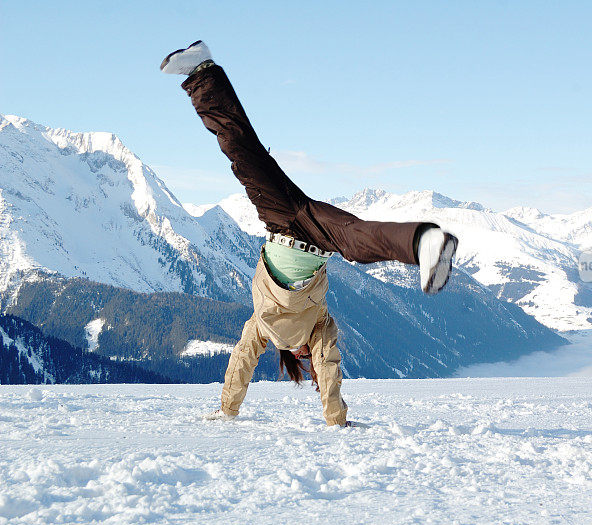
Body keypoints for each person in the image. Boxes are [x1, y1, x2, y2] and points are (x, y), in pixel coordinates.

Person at [161, 41, 458, 427]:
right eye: (309, 359)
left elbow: (240, 365)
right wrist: (334, 417)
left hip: (279, 221)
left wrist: (228, 410)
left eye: (304, 360)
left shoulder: (261, 327)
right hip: (314, 239)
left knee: (242, 153)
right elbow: (330, 368)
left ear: (293, 358)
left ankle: (201, 73)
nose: (308, 357)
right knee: (355, 238)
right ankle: (424, 243)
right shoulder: (319, 325)